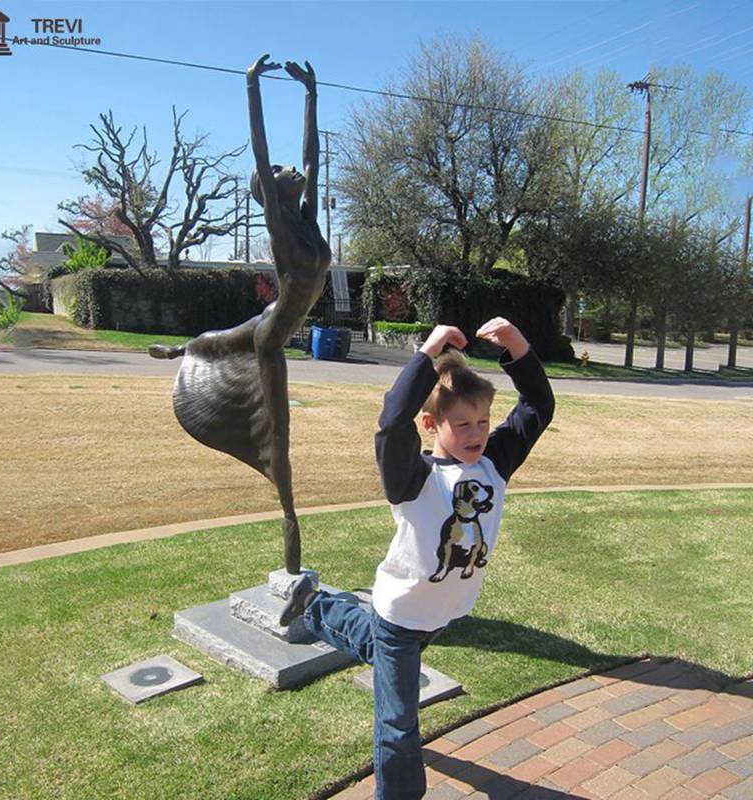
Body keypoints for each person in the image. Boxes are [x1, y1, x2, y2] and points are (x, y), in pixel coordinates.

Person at [279, 317, 555, 800]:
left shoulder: (495, 461)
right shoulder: (413, 476)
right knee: (398, 723)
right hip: (402, 612)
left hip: (442, 613)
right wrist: (426, 356)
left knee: (374, 648)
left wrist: (517, 346)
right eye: (463, 424)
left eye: (484, 421)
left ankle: (313, 603)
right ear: (431, 424)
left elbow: (538, 406)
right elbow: (391, 421)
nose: (477, 433)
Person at [149, 54, 331, 575]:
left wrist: (311, 93)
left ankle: (179, 349)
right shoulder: (279, 224)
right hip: (272, 340)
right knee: (279, 444)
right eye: (278, 173)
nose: (290, 170)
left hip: (272, 318)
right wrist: (251, 87)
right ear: (270, 193)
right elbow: (261, 146)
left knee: (214, 338)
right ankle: (290, 525)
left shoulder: (307, 220)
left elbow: (311, 158)